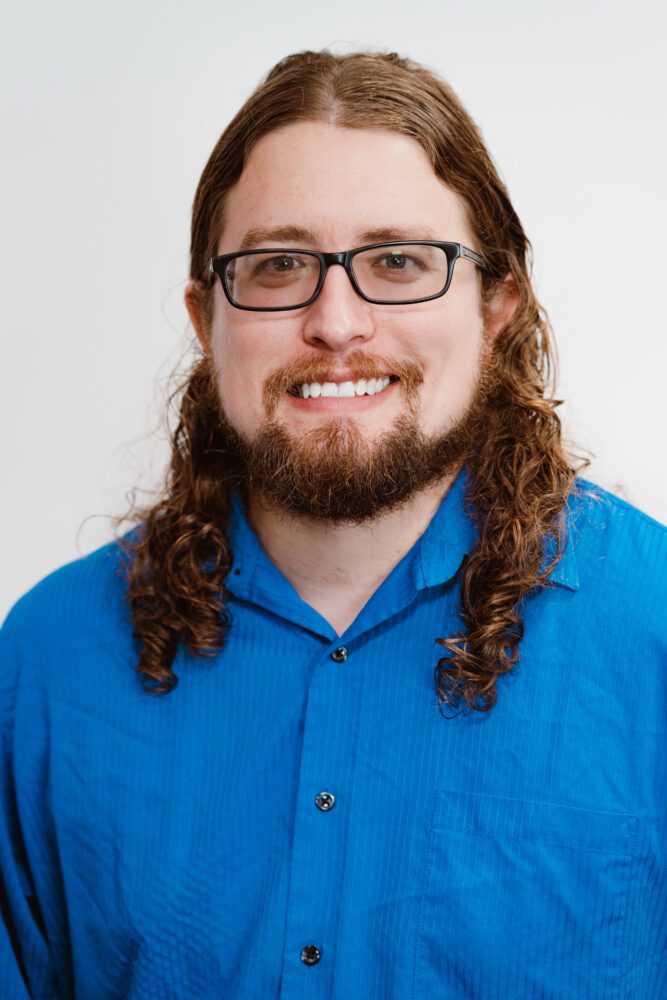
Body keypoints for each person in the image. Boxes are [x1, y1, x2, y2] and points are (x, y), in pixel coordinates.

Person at [1, 49, 665, 1000]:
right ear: (206, 316)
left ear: (496, 307)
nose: (338, 320)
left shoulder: (654, 633)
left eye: (398, 261)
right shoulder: (46, 664)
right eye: (278, 267)